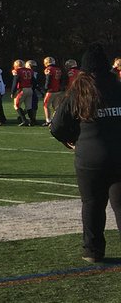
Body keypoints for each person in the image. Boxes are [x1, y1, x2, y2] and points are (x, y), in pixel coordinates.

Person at [50, 44, 121, 263]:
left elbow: (57, 126)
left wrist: (71, 139)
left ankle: (93, 250)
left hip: (90, 156)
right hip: (119, 154)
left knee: (92, 203)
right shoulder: (118, 87)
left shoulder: (78, 92)